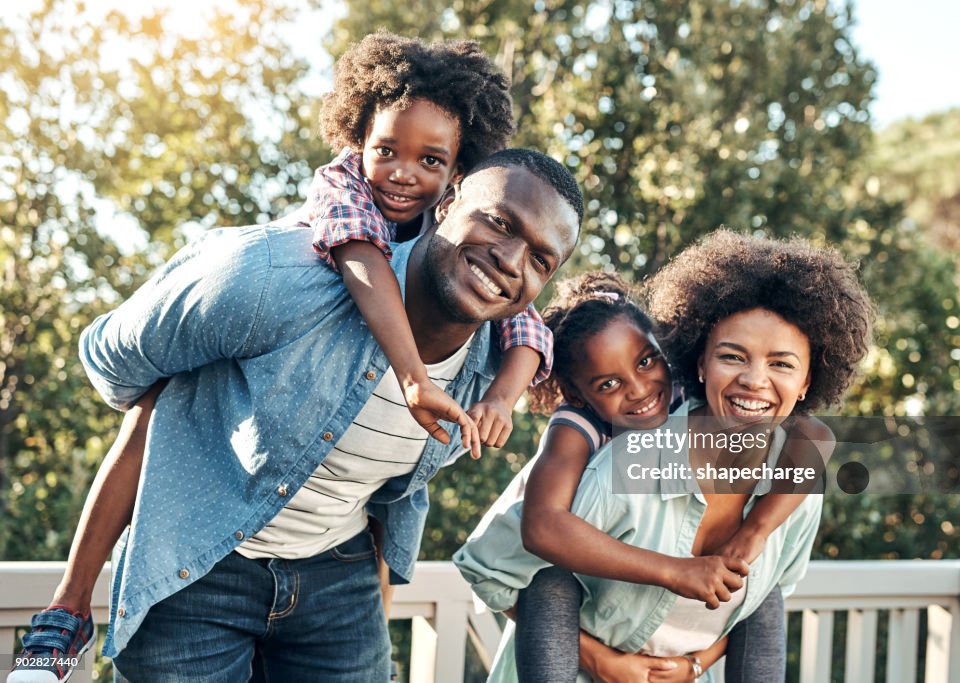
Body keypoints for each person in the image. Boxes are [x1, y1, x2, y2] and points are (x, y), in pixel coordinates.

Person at [7, 32, 549, 683]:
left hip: (334, 571)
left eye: (432, 161)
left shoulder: (478, 274)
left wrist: (501, 398)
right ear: (358, 141)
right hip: (204, 561)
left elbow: (531, 328)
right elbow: (358, 257)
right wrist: (178, 398)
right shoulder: (316, 225)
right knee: (161, 403)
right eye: (386, 152)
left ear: (459, 173)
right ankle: (66, 610)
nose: (405, 173)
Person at [454, 229, 875, 682]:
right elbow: (511, 555)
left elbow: (815, 436)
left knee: (765, 596)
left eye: (782, 364)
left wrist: (698, 661)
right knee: (551, 583)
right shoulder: (601, 453)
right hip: (577, 667)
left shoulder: (795, 486)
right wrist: (601, 658)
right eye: (733, 357)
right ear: (700, 362)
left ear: (809, 381)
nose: (755, 380)